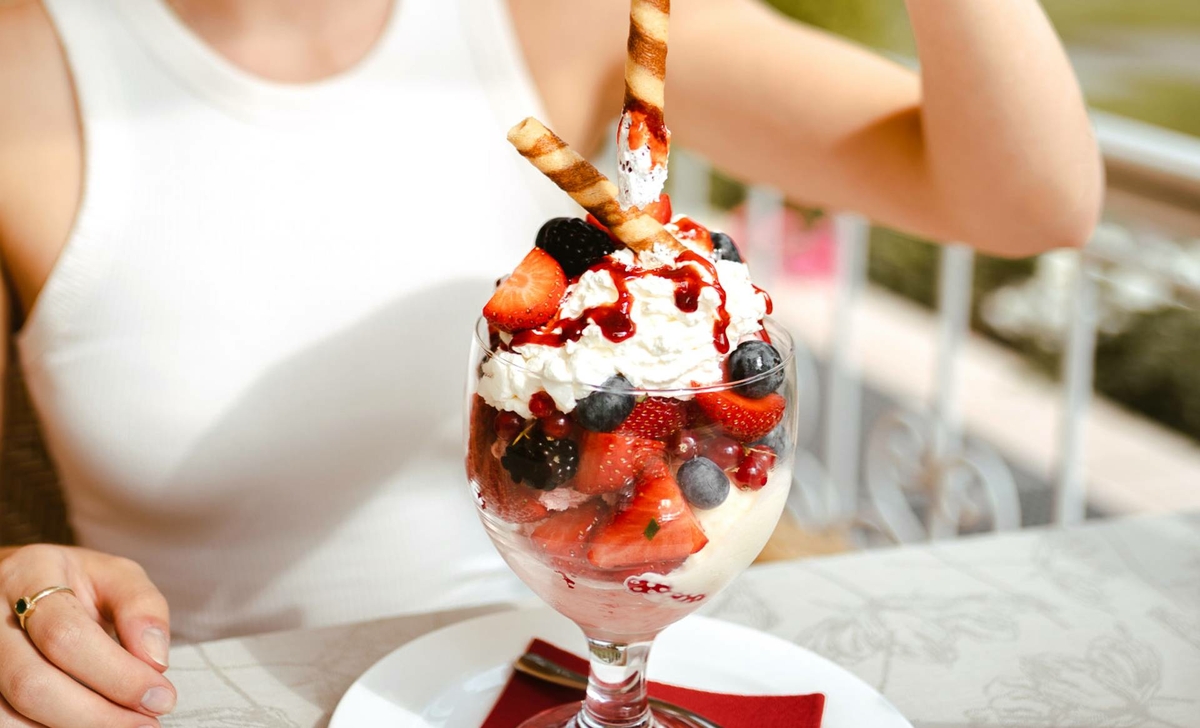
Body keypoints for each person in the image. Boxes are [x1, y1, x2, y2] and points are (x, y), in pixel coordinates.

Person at [0, 0, 1102, 725]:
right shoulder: (26, 64)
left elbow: (1032, 199)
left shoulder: (564, 11)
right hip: (204, 696)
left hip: (557, 663)